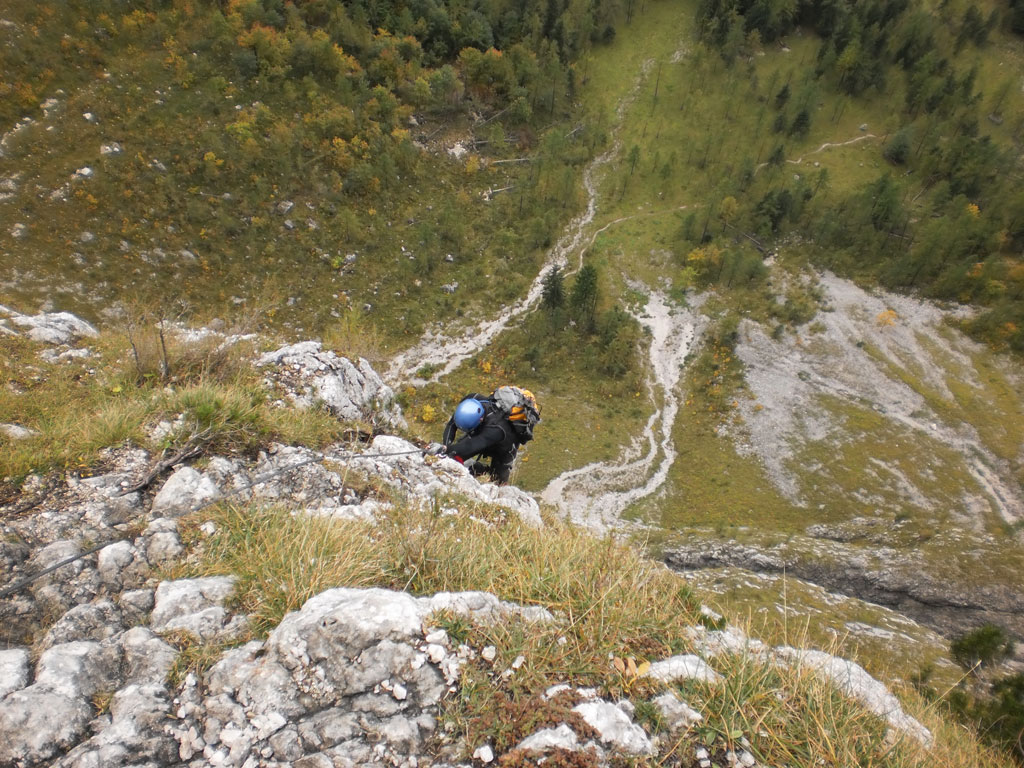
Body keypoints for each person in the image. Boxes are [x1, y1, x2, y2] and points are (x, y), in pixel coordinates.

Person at [432, 391, 537, 485]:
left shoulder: (497, 429)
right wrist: (446, 446)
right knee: (455, 456)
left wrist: (447, 450)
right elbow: (451, 424)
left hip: (504, 448)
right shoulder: (472, 399)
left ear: (480, 419)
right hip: (482, 433)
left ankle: (483, 470)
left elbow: (472, 445)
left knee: (498, 482)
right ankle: (473, 469)